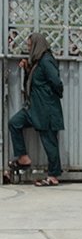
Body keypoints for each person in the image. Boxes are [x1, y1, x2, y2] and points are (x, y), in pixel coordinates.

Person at [6, 33, 64, 187]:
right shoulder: (37, 63)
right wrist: (27, 69)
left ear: (38, 45)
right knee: (14, 123)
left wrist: (51, 98)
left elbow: (57, 82)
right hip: (33, 108)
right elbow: (33, 84)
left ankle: (53, 176)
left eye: (30, 45)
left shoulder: (47, 61)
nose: (28, 48)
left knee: (49, 141)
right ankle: (23, 158)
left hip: (46, 109)